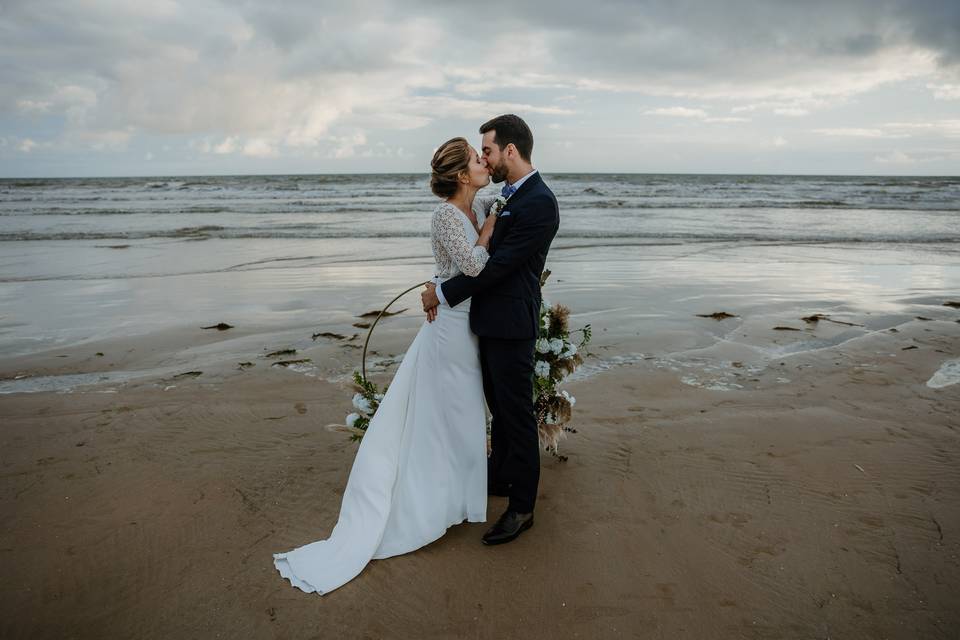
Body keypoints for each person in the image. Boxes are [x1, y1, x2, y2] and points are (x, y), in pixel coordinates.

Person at [273, 137, 498, 594]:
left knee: (460, 414)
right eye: (477, 160)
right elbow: (474, 267)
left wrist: (496, 204)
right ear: (460, 175)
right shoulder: (447, 215)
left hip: (464, 323)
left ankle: (454, 497)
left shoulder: (478, 202)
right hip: (450, 330)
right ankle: (426, 504)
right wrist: (491, 225)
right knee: (444, 416)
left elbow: (503, 193)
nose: (484, 163)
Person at [422, 114, 560, 546]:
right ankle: (500, 480)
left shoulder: (539, 202)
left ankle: (522, 508)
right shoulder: (504, 196)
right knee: (499, 410)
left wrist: (442, 294)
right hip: (486, 323)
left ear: (510, 152)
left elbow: (496, 267)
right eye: (481, 153)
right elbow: (467, 245)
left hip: (511, 325)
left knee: (516, 415)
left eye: (489, 150)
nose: (485, 157)